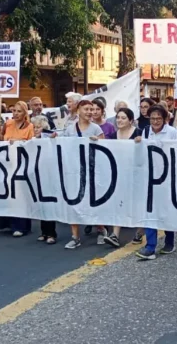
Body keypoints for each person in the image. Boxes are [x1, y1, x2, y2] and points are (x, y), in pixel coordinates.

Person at [53, 99, 106, 249]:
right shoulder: (70, 129)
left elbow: (106, 148)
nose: (89, 112)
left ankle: (101, 229)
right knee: (73, 202)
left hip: (92, 170)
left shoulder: (96, 128)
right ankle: (75, 236)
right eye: (86, 109)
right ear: (78, 111)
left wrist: (98, 141)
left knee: (93, 202)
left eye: (91, 109)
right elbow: (63, 146)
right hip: (74, 170)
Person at [136, 105, 177, 260]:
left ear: (164, 119)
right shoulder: (146, 131)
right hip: (150, 177)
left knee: (166, 210)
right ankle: (150, 246)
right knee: (150, 211)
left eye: (158, 118)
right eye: (152, 118)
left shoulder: (172, 132)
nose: (155, 121)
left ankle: (170, 242)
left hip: (167, 177)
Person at [103, 107, 142, 248]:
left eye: (123, 118)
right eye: (118, 117)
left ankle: (139, 231)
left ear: (131, 121)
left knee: (138, 204)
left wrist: (142, 142)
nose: (119, 120)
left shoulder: (139, 133)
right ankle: (115, 235)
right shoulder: (113, 135)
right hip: (119, 174)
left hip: (137, 174)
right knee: (118, 203)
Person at [0, 101, 35, 237]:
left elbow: (32, 144)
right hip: (7, 162)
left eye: (19, 111)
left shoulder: (29, 126)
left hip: (22, 163)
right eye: (14, 110)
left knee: (20, 195)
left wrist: (18, 143)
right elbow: (1, 140)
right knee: (9, 194)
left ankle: (21, 226)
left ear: (25, 113)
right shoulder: (8, 124)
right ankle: (9, 224)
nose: (15, 113)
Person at [31, 115, 57, 244]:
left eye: (38, 127)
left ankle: (51, 233)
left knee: (49, 204)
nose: (36, 129)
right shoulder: (32, 140)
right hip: (38, 175)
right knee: (41, 204)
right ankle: (44, 232)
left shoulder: (50, 139)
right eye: (34, 127)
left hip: (49, 175)